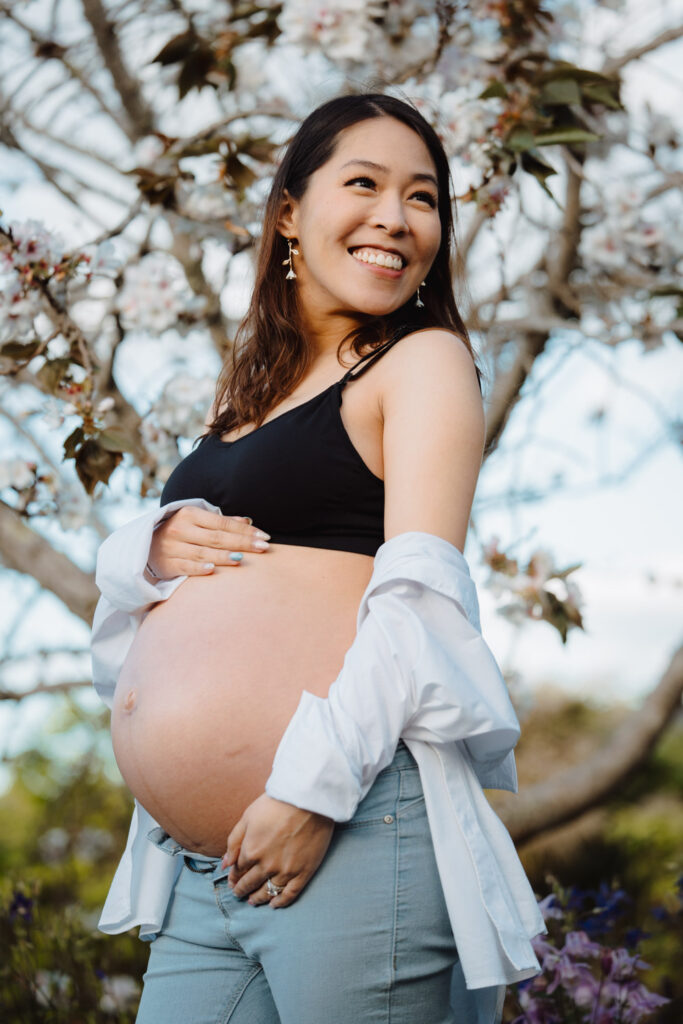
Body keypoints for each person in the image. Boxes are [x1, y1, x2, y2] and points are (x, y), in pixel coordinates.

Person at [91, 93, 545, 1024]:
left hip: (342, 827)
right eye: (364, 184)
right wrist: (146, 546)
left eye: (422, 198)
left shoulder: (421, 362)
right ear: (289, 211)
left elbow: (422, 600)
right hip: (199, 871)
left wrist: (311, 795)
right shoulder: (247, 390)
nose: (395, 216)